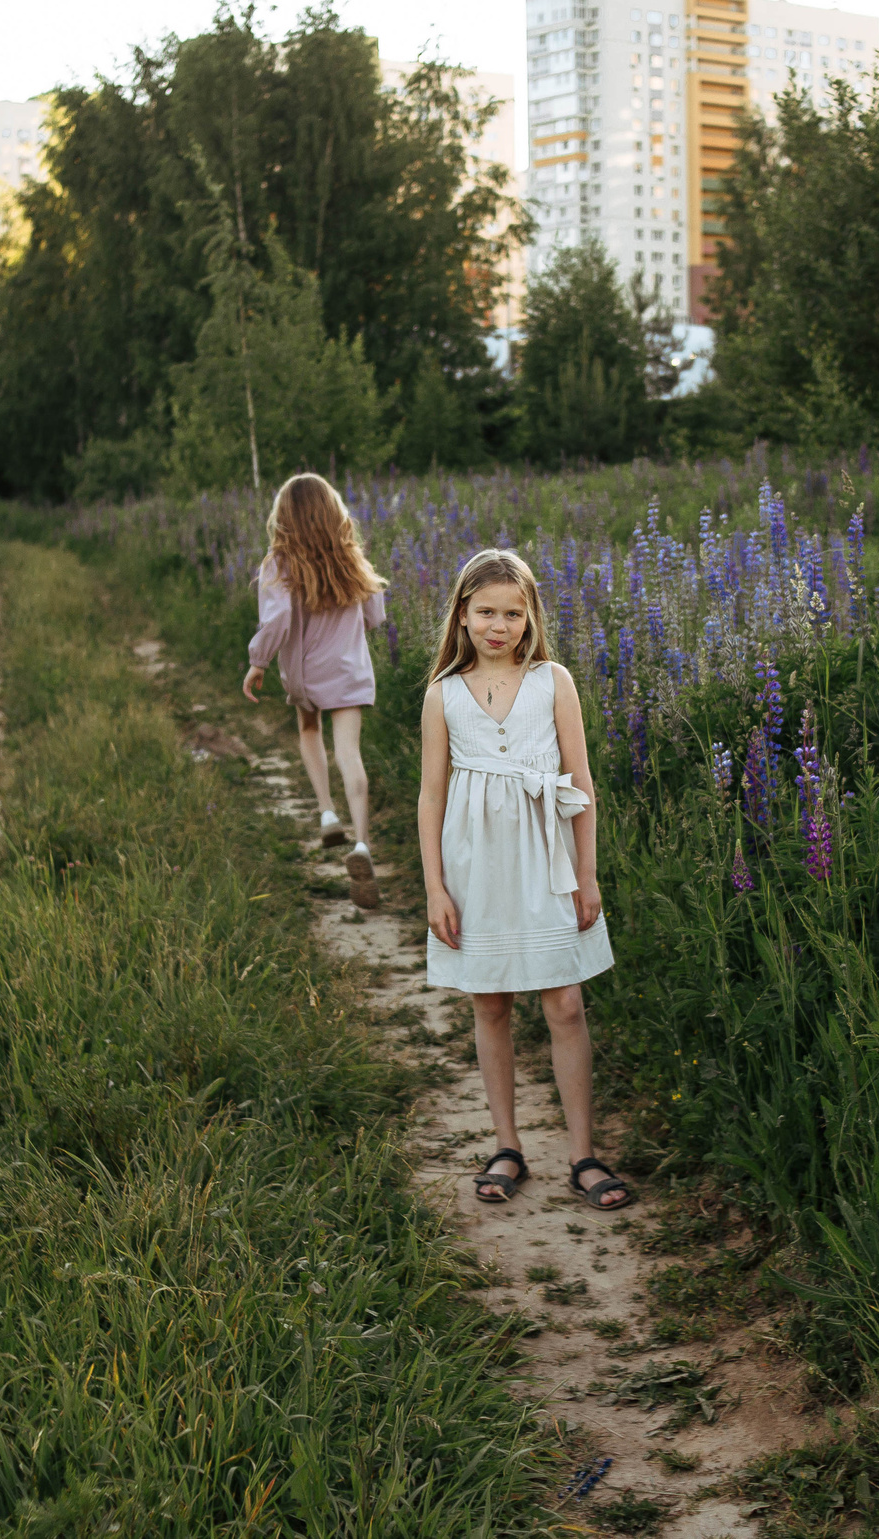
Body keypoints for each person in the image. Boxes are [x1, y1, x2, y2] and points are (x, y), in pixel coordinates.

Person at [419, 548, 632, 1212]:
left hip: (548, 860)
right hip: (475, 865)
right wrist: (435, 886)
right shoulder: (444, 695)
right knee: (490, 1001)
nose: (498, 625)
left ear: (532, 615)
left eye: (513, 612)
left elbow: (582, 784)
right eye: (485, 611)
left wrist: (587, 874)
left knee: (564, 1001)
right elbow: (431, 796)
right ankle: (507, 1144)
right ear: (462, 613)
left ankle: (583, 1152)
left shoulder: (552, 681)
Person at [243, 472, 388, 909]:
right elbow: (375, 616)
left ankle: (327, 812)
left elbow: (278, 620)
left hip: (305, 671)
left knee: (309, 732)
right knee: (350, 754)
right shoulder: (350, 555)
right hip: (348, 670)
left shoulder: (279, 563)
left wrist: (258, 661)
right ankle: (361, 844)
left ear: (284, 516)